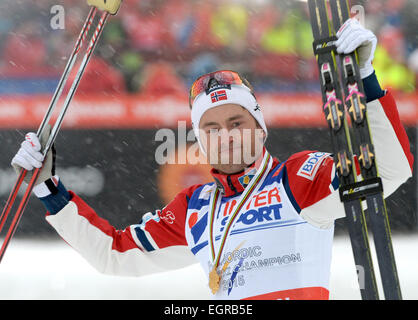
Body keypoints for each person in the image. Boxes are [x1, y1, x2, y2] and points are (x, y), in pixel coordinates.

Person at [11, 18, 414, 300]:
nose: (227, 136)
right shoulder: (195, 207)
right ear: (201, 142)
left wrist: (365, 77)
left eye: (237, 121)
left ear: (260, 129)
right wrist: (48, 187)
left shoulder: (298, 177)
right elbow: (114, 255)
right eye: (212, 129)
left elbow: (390, 170)